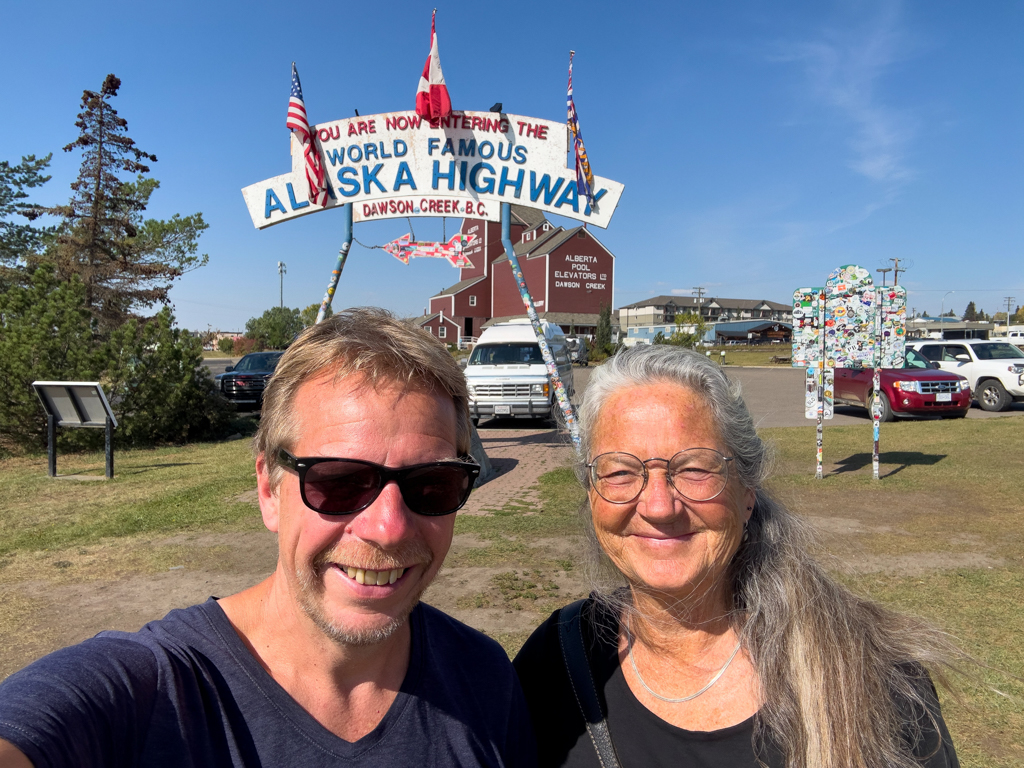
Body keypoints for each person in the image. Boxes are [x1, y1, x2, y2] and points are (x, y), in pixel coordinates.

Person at [0, 307, 536, 767]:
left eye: (432, 483)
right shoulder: (152, 692)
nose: (388, 527)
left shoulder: (484, 678)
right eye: (339, 481)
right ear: (268, 489)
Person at [513, 344, 959, 768]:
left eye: (693, 468)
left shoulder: (872, 676)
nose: (658, 506)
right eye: (620, 472)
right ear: (592, 493)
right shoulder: (553, 665)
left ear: (747, 492)